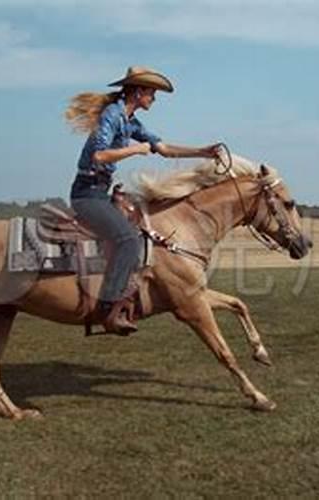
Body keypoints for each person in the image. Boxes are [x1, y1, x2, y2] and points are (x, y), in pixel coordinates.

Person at [65, 66, 219, 334]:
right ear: (138, 92)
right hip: (87, 194)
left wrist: (203, 152)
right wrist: (134, 149)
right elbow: (98, 156)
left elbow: (163, 148)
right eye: (152, 93)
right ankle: (108, 309)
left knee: (139, 232)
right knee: (128, 240)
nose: (154, 99)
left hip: (101, 192)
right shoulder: (112, 116)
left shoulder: (131, 122)